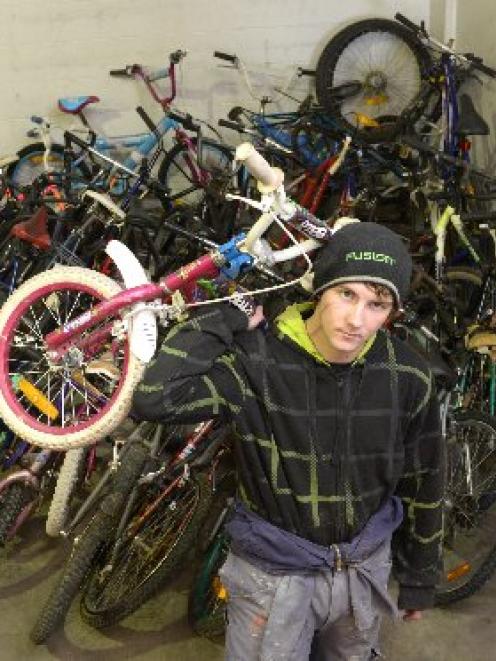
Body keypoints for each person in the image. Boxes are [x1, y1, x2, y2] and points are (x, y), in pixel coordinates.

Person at [132, 222, 444, 661]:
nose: (357, 321)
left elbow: (425, 477)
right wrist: (223, 318)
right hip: (272, 576)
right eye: (346, 294)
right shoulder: (257, 361)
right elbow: (154, 399)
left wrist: (420, 576)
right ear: (319, 288)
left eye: (378, 304)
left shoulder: (407, 375)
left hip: (363, 571)